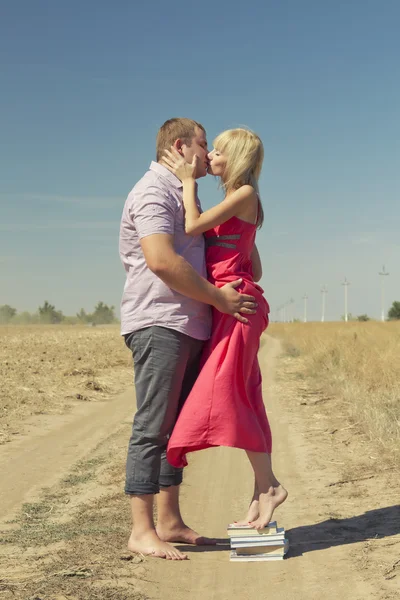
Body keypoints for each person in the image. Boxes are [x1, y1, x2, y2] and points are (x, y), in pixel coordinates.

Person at [119, 118, 257, 560]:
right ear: (181, 147)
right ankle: (141, 530)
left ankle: (170, 521)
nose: (208, 153)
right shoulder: (153, 191)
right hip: (161, 321)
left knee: (175, 429)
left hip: (189, 322)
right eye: (204, 144)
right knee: (152, 426)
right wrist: (219, 297)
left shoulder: (182, 193)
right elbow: (160, 261)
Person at [162, 128, 288, 530]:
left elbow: (193, 226)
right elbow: (258, 265)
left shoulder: (244, 195)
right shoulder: (238, 200)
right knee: (244, 393)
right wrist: (232, 263)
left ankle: (268, 487)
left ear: (234, 158)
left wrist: (184, 182)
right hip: (231, 304)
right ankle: (262, 490)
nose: (210, 154)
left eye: (217, 150)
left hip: (238, 307)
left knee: (229, 392)